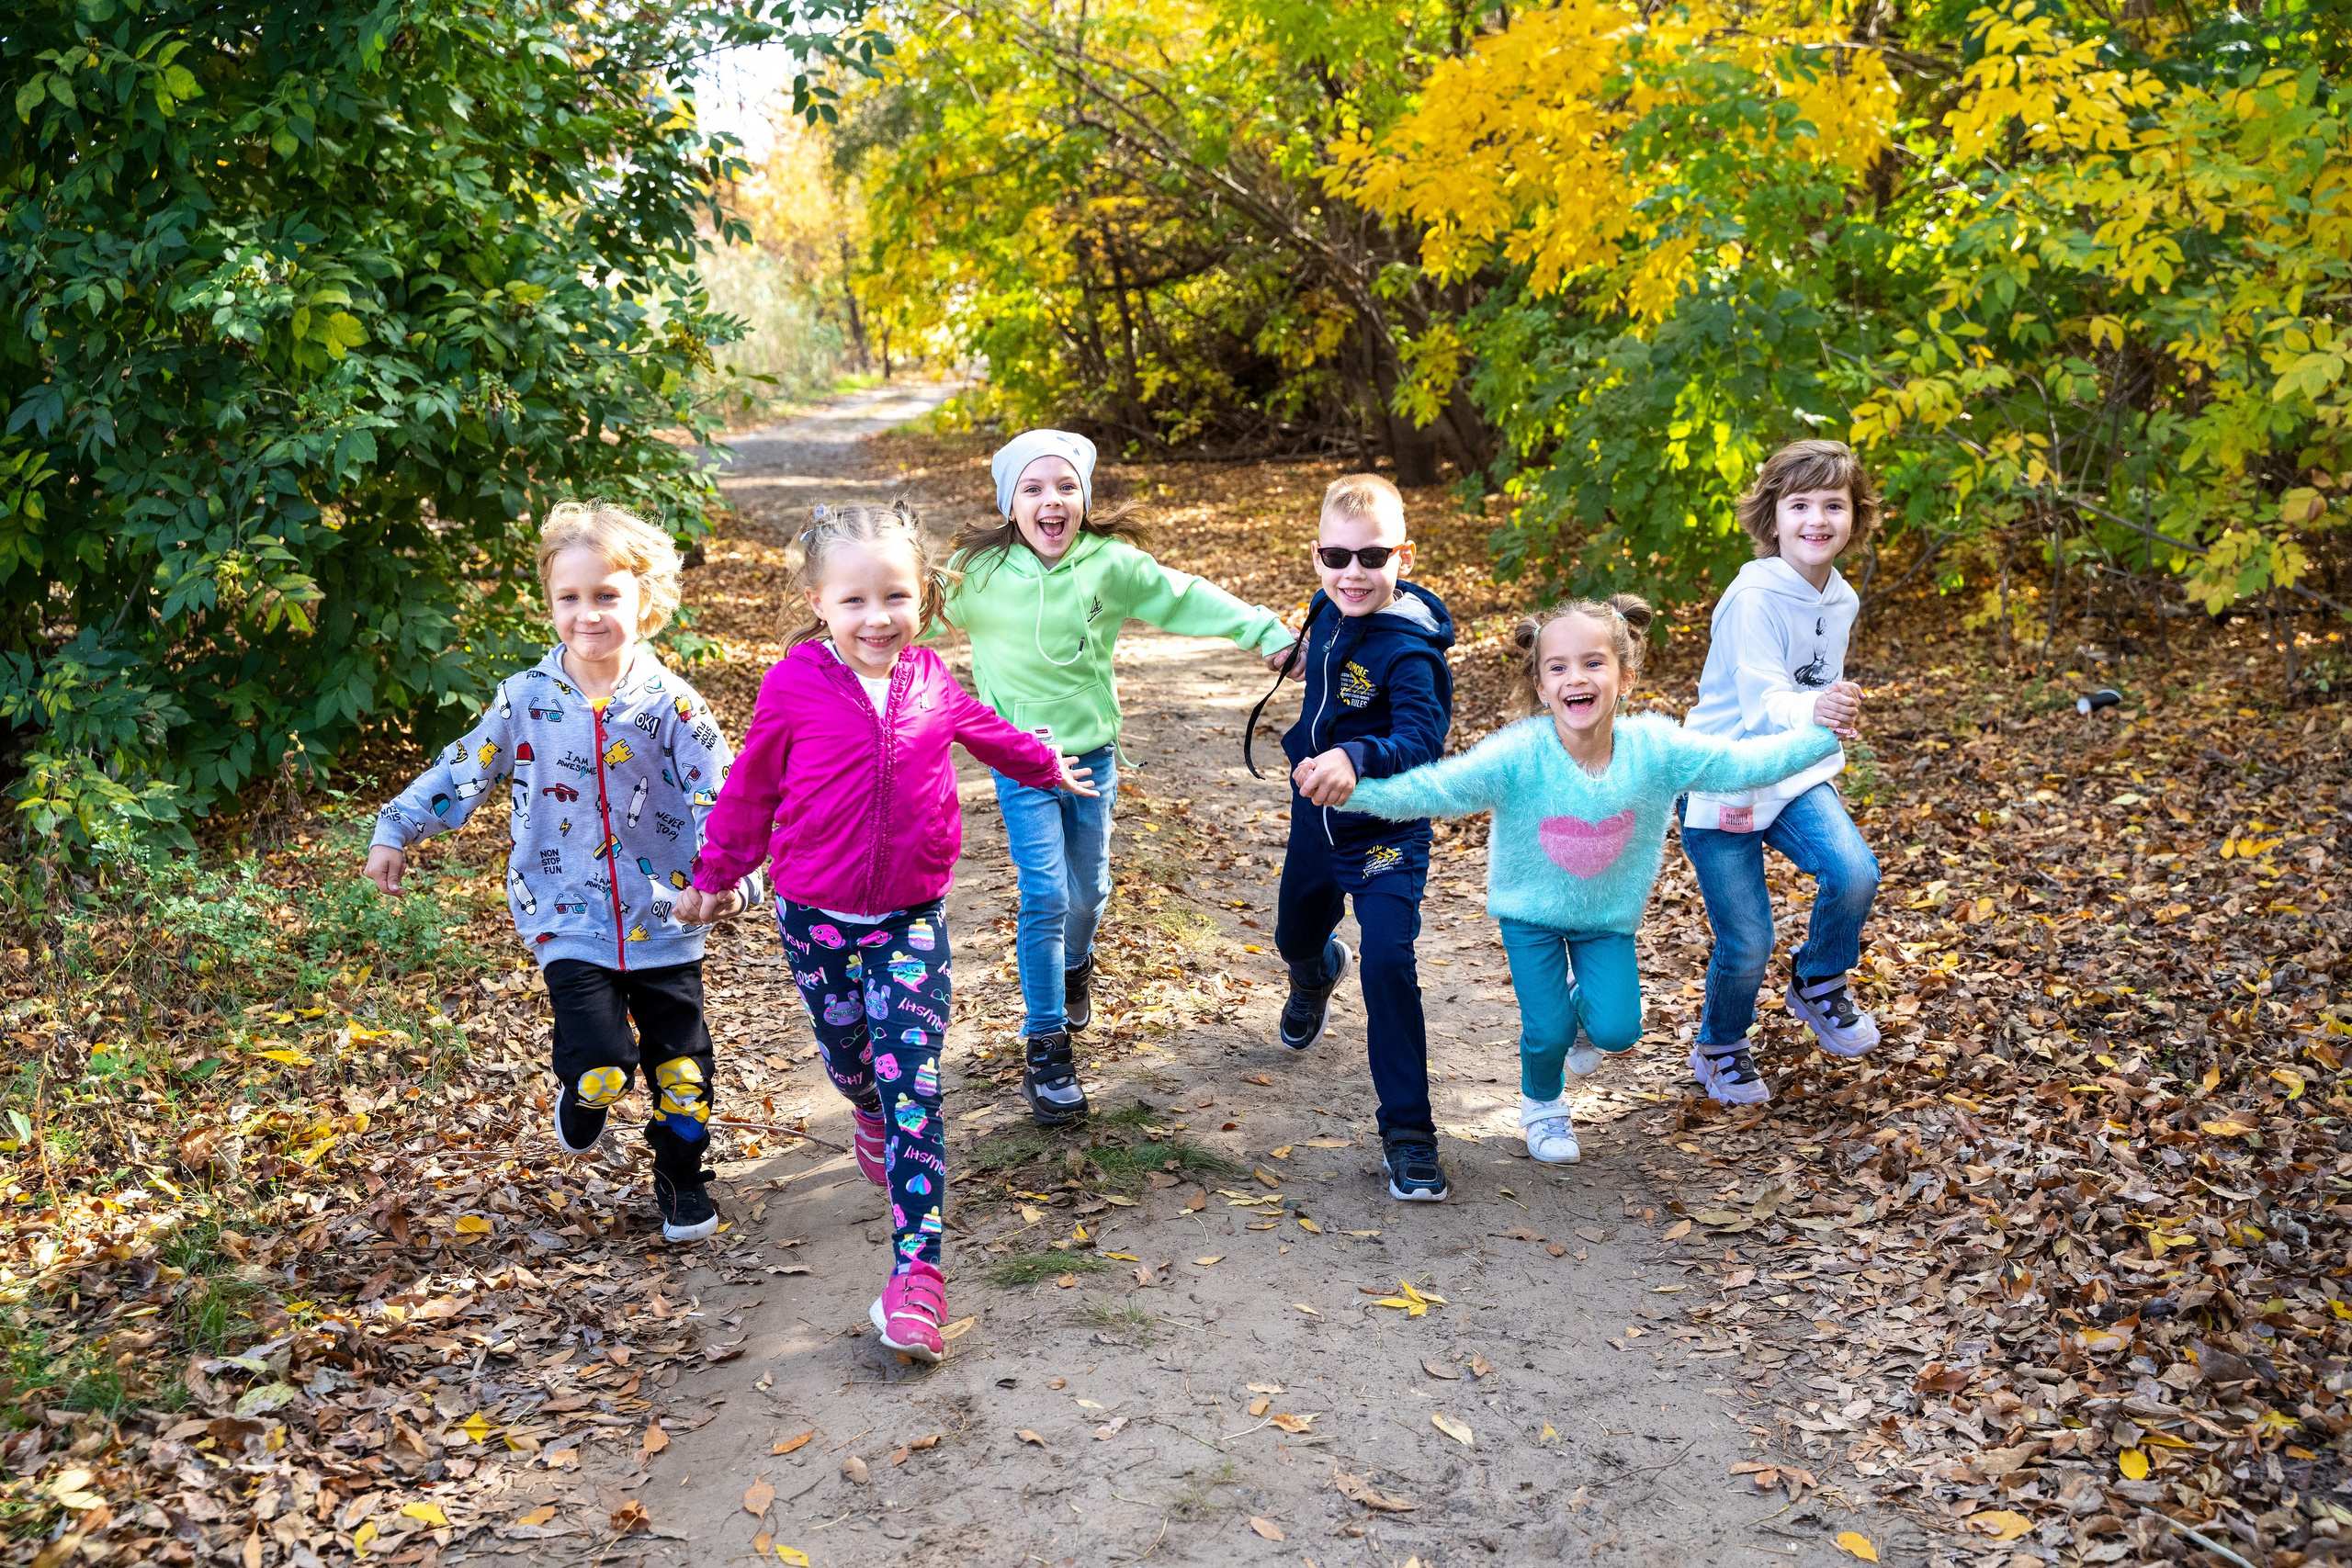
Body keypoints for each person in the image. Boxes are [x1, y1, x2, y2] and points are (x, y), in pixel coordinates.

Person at [676, 501, 1094, 1362]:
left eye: (895, 597)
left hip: (909, 915)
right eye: (856, 601)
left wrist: (1047, 762)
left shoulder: (932, 677)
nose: (878, 618)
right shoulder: (793, 684)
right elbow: (752, 789)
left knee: (917, 1084)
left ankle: (918, 1278)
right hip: (814, 914)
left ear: (924, 596)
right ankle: (862, 1103)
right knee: (849, 1058)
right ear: (819, 602)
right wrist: (715, 877)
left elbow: (985, 731)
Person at [365, 502, 763, 1243]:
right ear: (549, 603)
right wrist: (397, 826)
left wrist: (730, 881)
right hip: (564, 913)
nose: (588, 614)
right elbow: (465, 767)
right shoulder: (525, 697)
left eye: (606, 595)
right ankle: (584, 1090)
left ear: (646, 599)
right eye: (569, 598)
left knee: (682, 1071)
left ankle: (681, 1180)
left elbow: (723, 797)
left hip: (666, 919)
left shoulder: (674, 705)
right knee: (603, 1059)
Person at [1338, 597, 1839, 1165]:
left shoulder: (1656, 749)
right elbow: (1437, 789)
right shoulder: (1520, 755)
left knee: (1619, 1031)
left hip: (1606, 920)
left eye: (1594, 663)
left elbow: (1743, 766)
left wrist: (1821, 734)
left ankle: (1580, 1006)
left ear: (1626, 676)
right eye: (1559, 667)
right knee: (1548, 1032)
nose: (1576, 678)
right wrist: (1355, 792)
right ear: (1541, 684)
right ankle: (1543, 1107)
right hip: (1530, 915)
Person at [942, 428, 1295, 1125]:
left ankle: (1077, 965)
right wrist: (832, 642)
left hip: (1093, 759)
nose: (1052, 500)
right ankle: (1045, 1047)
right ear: (1009, 502)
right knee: (1043, 891)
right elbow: (900, 614)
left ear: (1085, 498)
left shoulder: (1110, 564)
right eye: (1034, 488)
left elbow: (1185, 595)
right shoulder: (974, 576)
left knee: (1089, 892)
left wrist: (1264, 629)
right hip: (1020, 762)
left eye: (1066, 486)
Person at [1678, 439, 1883, 1107]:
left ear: (1856, 515)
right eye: (1800, 505)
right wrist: (1813, 706)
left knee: (1855, 871)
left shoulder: (1841, 598)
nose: (1816, 520)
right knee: (1749, 940)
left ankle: (1819, 980)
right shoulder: (1753, 596)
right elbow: (1765, 699)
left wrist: (1828, 715)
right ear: (1773, 516)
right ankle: (1720, 1046)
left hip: (1793, 772)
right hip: (1725, 779)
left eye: (1833, 504)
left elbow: (1808, 693)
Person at [1275, 474, 1457, 1201]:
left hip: (1387, 832)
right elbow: (1327, 663)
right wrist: (1295, 657)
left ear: (1402, 557)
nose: (1353, 572)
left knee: (1387, 959)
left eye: (1373, 557)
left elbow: (1421, 736)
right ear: (1317, 557)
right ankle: (1315, 970)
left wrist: (1357, 756)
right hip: (1316, 824)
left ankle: (1409, 1134)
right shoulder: (1326, 607)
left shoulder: (1412, 653)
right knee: (1292, 935)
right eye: (1337, 556)